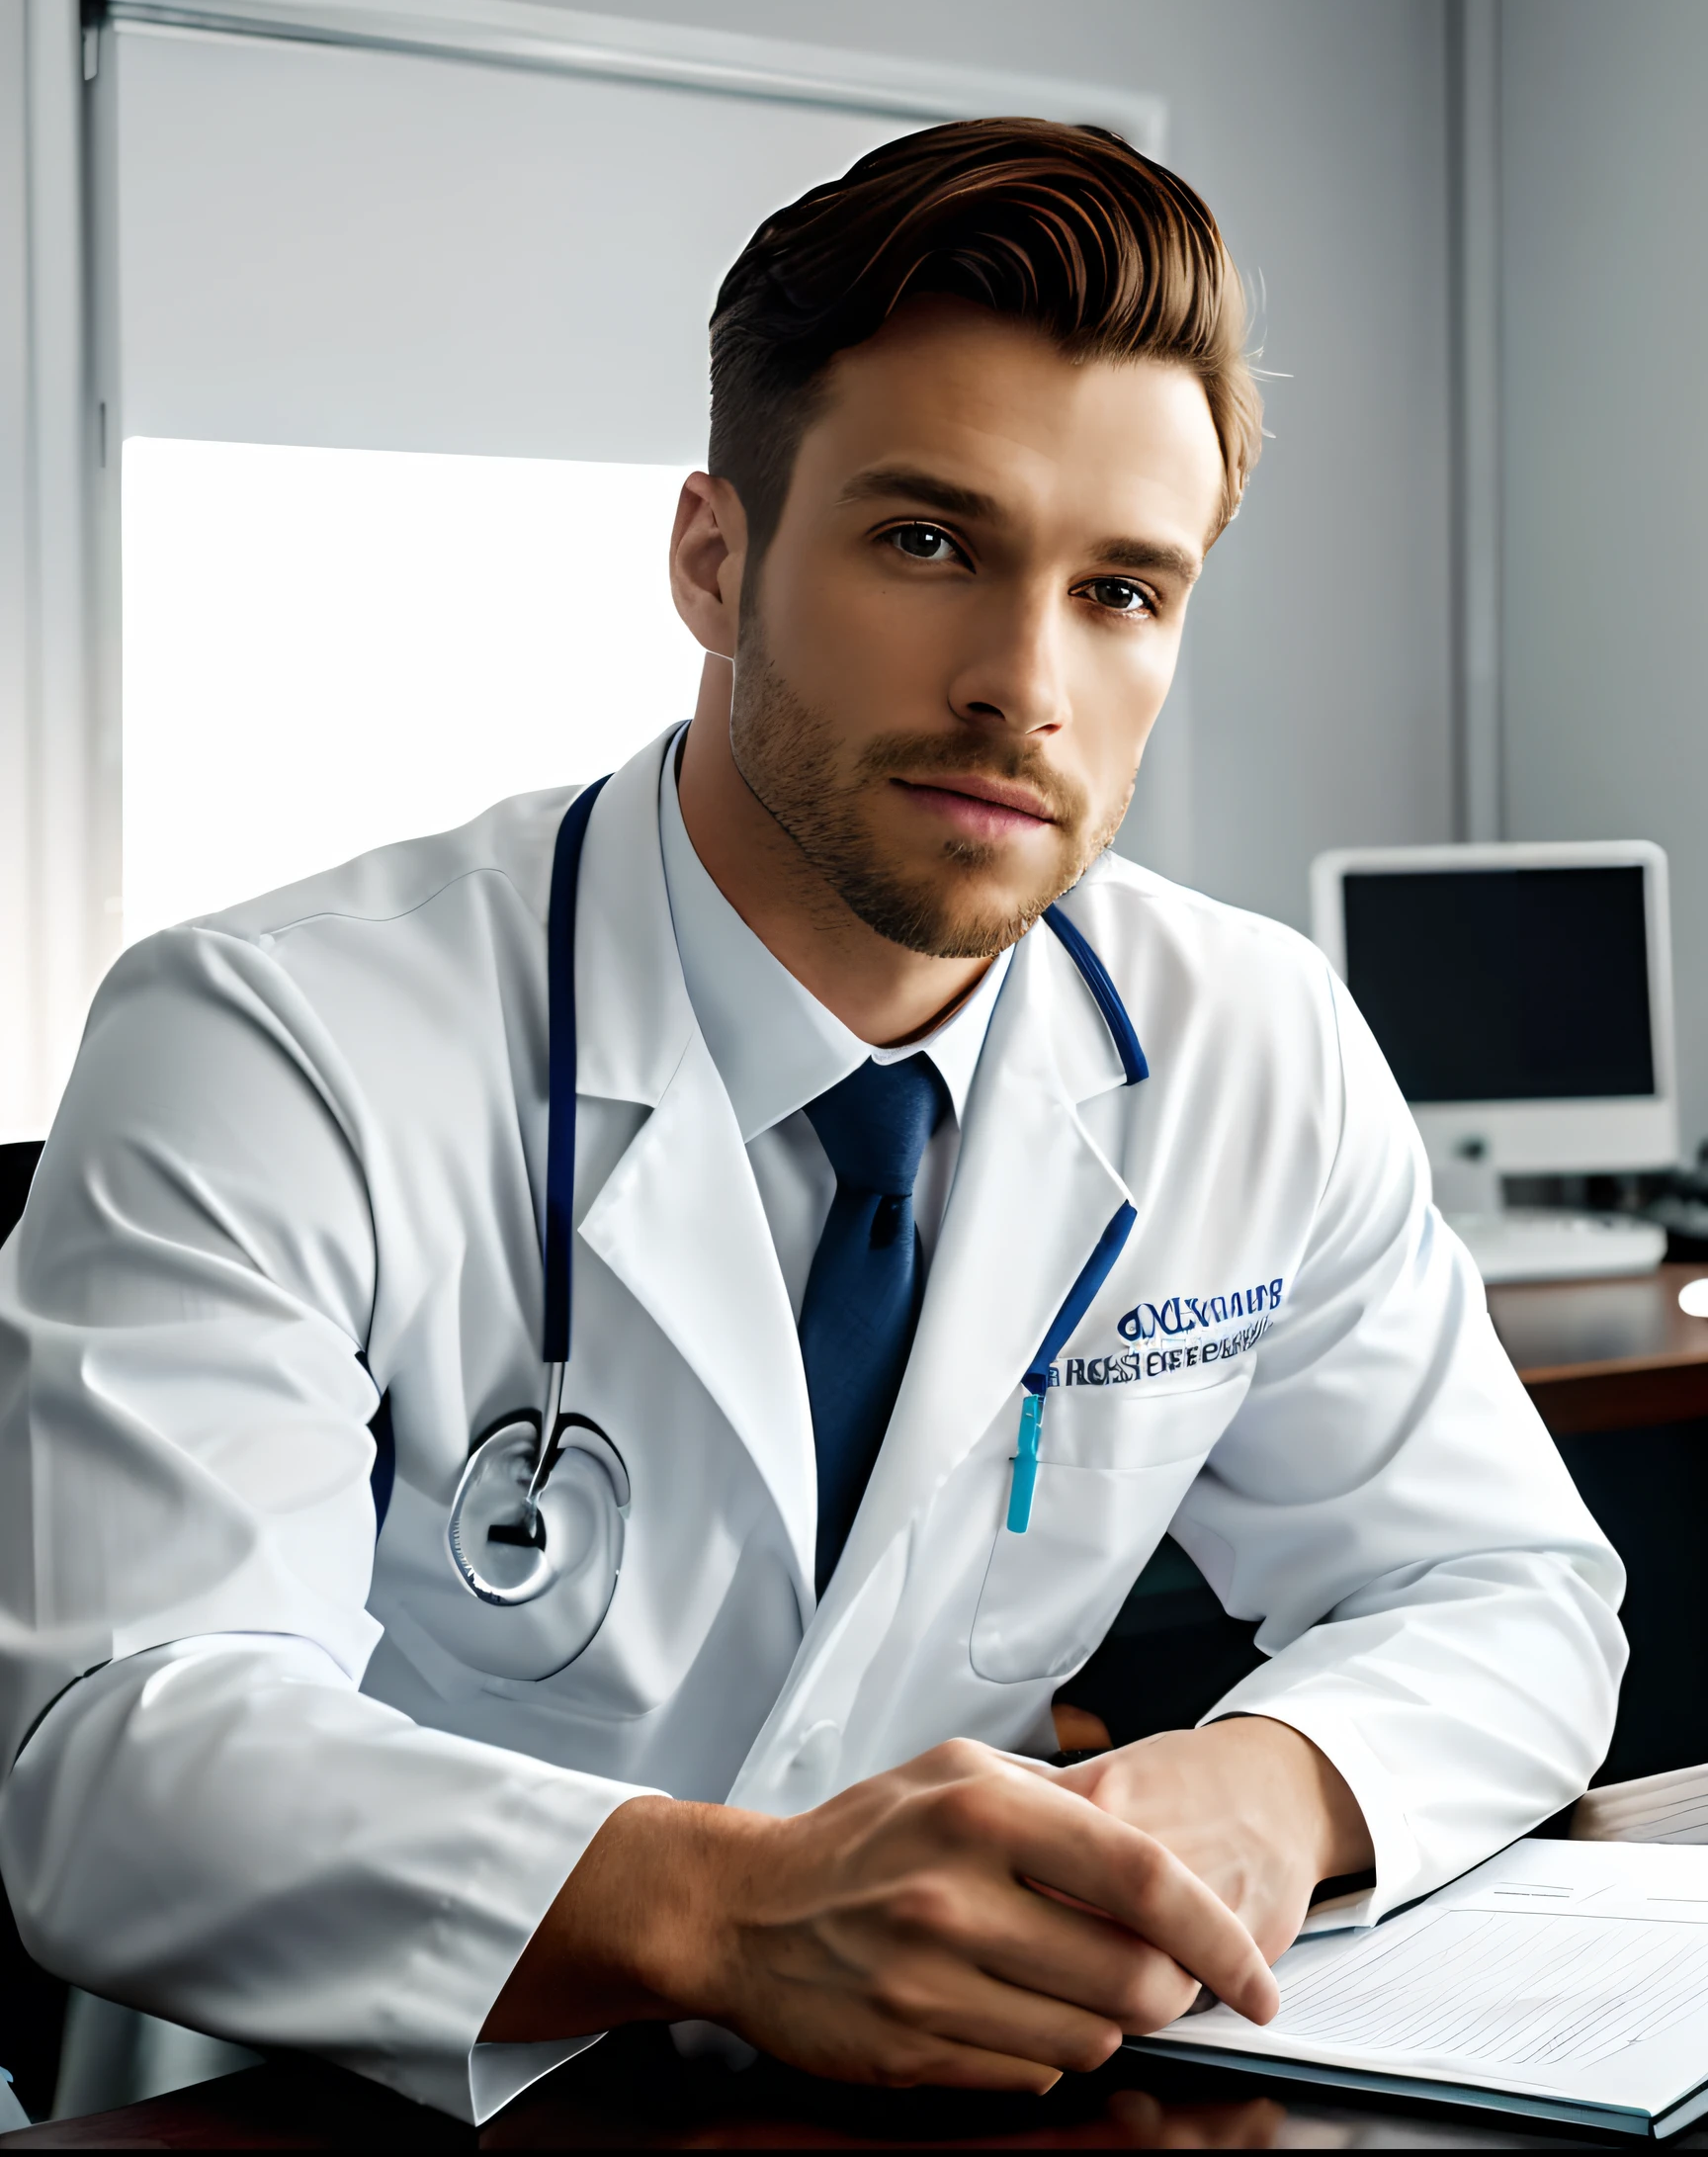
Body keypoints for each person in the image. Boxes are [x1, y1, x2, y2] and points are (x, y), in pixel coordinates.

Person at [0, 122, 1623, 2125]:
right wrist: (733, 1908)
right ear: (714, 555)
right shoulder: (272, 1036)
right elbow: (119, 1757)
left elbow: (1508, 1588)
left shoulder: (1246, 1042)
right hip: (366, 2096)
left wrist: (1262, 1789)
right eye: (929, 541)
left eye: (1121, 588)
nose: (1024, 685)